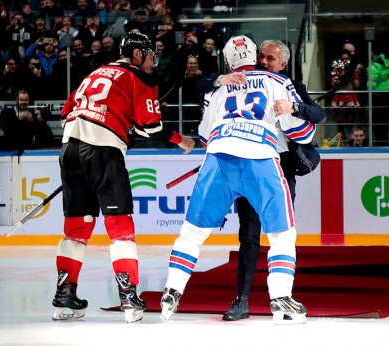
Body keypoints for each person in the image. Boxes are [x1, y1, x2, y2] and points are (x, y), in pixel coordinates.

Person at [160, 35, 314, 325]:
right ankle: (281, 299)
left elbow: (205, 135)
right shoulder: (278, 83)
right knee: (282, 233)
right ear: (255, 56)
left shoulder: (217, 89)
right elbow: (303, 134)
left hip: (219, 159)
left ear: (228, 61)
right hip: (261, 159)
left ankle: (172, 291)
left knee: (193, 233)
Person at [53, 31, 195, 324]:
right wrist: (181, 140)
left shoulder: (95, 72)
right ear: (137, 54)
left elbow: (67, 112)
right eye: (151, 55)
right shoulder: (139, 79)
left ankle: (64, 294)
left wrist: (123, 125)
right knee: (121, 228)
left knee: (76, 229)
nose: (154, 62)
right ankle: (129, 297)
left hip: (69, 148)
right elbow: (151, 128)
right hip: (103, 151)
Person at [197, 39, 325, 321]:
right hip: (248, 164)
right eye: (262, 57)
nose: (264, 62)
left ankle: (283, 297)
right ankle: (241, 300)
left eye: (270, 59)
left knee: (281, 234)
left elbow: (319, 114)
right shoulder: (242, 80)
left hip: (278, 168)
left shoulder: (288, 84)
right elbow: (200, 84)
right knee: (249, 235)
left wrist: (294, 107)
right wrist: (220, 78)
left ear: (283, 64)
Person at [368, 46, 389, 146]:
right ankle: (384, 143)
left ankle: (378, 144)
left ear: (372, 52)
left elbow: (371, 85)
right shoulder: (387, 62)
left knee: (377, 125)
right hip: (387, 95)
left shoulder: (373, 67)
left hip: (377, 97)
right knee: (385, 124)